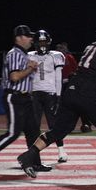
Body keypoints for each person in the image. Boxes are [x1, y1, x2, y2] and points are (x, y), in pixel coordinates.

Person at [16, 25, 96, 179]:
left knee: (58, 131)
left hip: (72, 90)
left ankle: (29, 155)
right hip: (89, 93)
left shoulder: (91, 47)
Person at [0, 25, 50, 173]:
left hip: (25, 98)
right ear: (19, 38)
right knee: (12, 133)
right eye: (28, 36)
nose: (30, 39)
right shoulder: (15, 53)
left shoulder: (23, 54)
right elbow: (14, 77)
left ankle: (35, 162)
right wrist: (30, 69)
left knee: (33, 132)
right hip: (15, 97)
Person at [28, 30, 68, 163]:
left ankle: (61, 151)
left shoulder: (55, 56)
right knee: (34, 126)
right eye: (40, 42)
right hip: (35, 93)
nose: (42, 44)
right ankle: (33, 153)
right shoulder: (29, 56)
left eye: (44, 42)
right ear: (35, 43)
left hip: (50, 94)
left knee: (54, 124)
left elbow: (58, 78)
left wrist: (58, 96)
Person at [56, 42, 91, 133]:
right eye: (59, 49)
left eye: (62, 49)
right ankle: (64, 125)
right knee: (64, 105)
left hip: (71, 84)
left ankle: (86, 124)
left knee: (77, 104)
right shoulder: (56, 58)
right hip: (61, 85)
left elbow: (75, 70)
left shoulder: (69, 57)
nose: (61, 51)